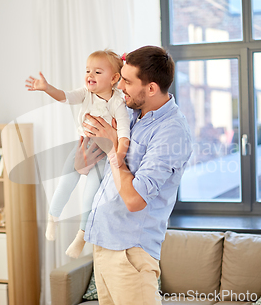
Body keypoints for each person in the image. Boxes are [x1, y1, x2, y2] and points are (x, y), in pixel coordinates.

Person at [77, 45, 193, 304]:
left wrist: (112, 150)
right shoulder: (128, 112)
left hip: (130, 253)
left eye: (127, 81)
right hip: (103, 244)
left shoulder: (171, 132)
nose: (119, 87)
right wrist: (86, 142)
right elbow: (82, 168)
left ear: (151, 88)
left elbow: (134, 200)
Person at [25, 50, 131, 258]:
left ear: (114, 79)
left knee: (90, 195)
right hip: (83, 145)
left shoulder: (118, 103)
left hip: (104, 153)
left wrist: (118, 155)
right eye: (87, 70)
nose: (90, 75)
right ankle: (53, 218)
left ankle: (82, 234)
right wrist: (47, 88)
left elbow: (124, 133)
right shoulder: (85, 93)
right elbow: (64, 97)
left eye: (97, 72)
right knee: (65, 183)